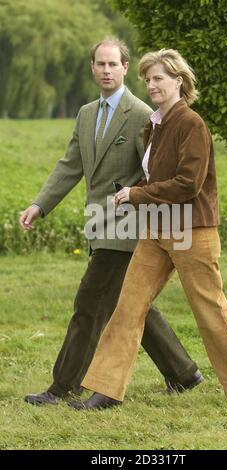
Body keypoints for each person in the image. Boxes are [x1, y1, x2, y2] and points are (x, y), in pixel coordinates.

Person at [69, 48, 227, 410]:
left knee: (210, 310)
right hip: (156, 231)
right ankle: (106, 391)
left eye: (159, 78)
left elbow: (188, 183)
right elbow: (156, 175)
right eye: (148, 79)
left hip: (193, 230)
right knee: (128, 306)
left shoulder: (192, 124)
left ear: (179, 81)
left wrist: (137, 193)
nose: (152, 85)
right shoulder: (153, 124)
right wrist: (128, 193)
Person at [19, 40, 203, 406]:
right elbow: (71, 164)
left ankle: (63, 386)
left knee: (90, 301)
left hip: (129, 227)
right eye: (100, 64)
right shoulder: (86, 113)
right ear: (92, 68)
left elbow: (156, 172)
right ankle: (184, 374)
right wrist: (40, 204)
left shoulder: (141, 114)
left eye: (113, 64)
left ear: (124, 67)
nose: (106, 70)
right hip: (98, 223)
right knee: (132, 304)